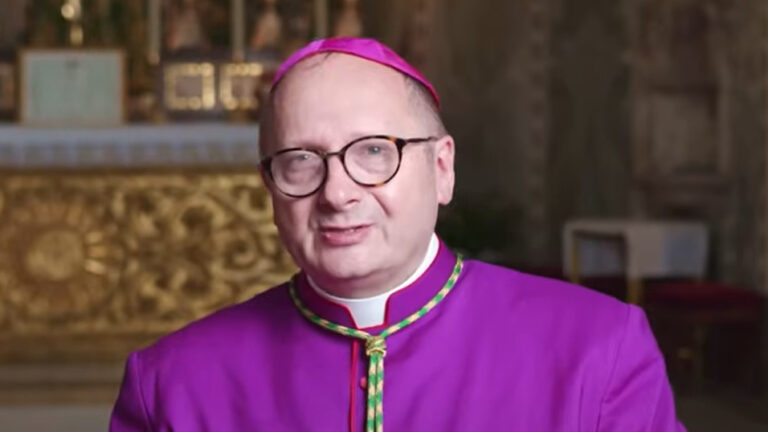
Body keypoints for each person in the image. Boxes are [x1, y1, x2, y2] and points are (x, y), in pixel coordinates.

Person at [110, 37, 686, 432]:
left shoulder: (598, 348)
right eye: (301, 161)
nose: (337, 193)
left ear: (442, 169)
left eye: (374, 152)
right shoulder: (172, 382)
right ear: (269, 187)